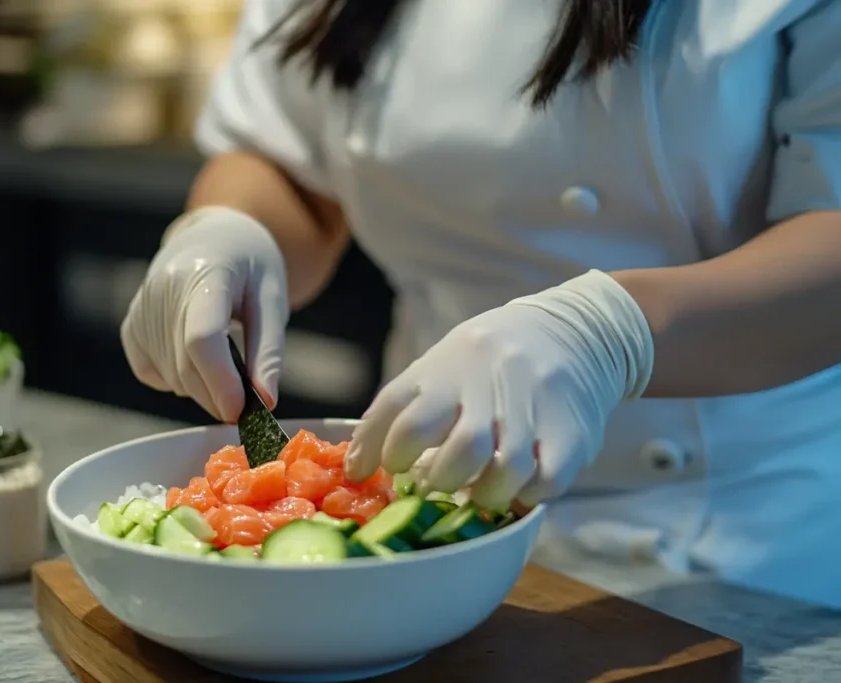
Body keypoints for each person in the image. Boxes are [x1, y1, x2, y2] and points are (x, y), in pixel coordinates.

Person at [120, 0, 841, 608]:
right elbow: (285, 156)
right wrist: (228, 227)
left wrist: (608, 332)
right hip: (426, 511)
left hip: (745, 551)